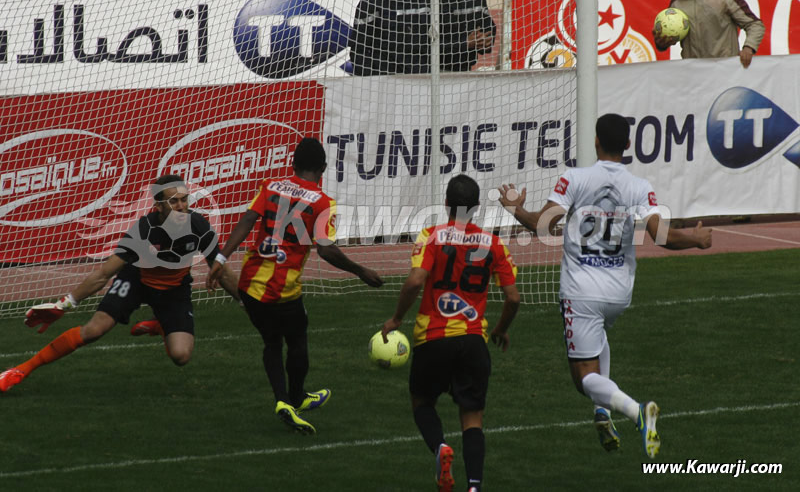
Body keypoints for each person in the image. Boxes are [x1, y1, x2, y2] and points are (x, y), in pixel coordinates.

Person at [498, 114, 712, 459]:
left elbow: (543, 226)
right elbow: (661, 236)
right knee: (598, 339)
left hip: (581, 289)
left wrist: (515, 208)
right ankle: (603, 412)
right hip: (619, 292)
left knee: (583, 377)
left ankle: (636, 411)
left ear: (595, 141)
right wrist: (697, 240)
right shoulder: (640, 187)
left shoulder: (575, 178)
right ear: (628, 145)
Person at [0, 175, 241, 393]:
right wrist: (65, 304)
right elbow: (104, 273)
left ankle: (162, 326)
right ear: (158, 206)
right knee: (93, 331)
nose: (181, 206)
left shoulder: (198, 226)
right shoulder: (143, 231)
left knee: (181, 356)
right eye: (173, 202)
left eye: (184, 200)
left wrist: (246, 302)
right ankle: (21, 370)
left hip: (174, 290)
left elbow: (222, 270)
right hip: (137, 281)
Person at [206, 138, 383, 435]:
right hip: (283, 289)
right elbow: (326, 250)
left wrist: (221, 258)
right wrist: (360, 270)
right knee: (297, 340)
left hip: (249, 284)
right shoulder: (323, 202)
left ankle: (286, 400)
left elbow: (248, 219)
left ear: (293, 164)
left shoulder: (271, 185)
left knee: (272, 342)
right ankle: (293, 398)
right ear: (324, 168)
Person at [381, 174, 519, 492]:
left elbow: (416, 281)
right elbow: (513, 298)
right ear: (477, 208)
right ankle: (473, 486)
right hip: (473, 342)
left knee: (422, 402)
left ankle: (441, 447)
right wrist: (500, 329)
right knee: (472, 417)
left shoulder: (432, 235)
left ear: (445, 204)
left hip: (434, 339)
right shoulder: (494, 243)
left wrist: (397, 318)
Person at [652, 0, 764, 68]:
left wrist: (749, 47)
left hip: (725, 70)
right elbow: (668, 39)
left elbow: (755, 24)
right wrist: (662, 44)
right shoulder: (677, 1)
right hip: (694, 73)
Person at [348, 0, 430, 76]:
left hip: (421, 80)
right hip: (384, 82)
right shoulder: (370, 3)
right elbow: (359, 50)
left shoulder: (424, 0)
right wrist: (371, 82)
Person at [433, 0, 496, 72]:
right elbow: (426, 45)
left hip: (466, 69)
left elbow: (488, 27)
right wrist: (465, 44)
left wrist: (484, 40)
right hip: (437, 71)